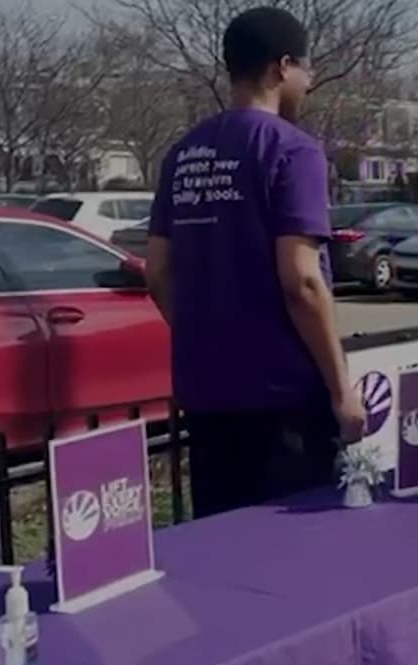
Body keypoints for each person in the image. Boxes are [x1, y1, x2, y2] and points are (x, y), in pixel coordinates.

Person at [145, 8, 364, 518]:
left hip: (207, 393)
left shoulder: (182, 153)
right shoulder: (293, 151)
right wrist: (341, 389)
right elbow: (303, 281)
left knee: (222, 552)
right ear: (282, 67)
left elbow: (156, 270)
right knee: (294, 563)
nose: (308, 83)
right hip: (283, 399)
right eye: (307, 70)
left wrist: (203, 333)